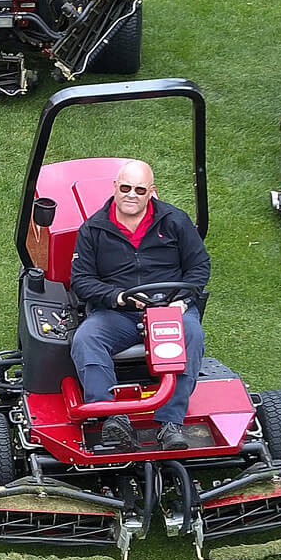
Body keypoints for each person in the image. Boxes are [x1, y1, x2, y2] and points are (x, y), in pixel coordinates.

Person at [68, 162, 210, 452]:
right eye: (125, 188)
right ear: (115, 188)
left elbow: (199, 266)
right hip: (117, 312)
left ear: (151, 192)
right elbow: (81, 281)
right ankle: (111, 416)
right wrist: (117, 296)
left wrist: (181, 299)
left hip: (169, 308)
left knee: (191, 335)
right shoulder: (93, 229)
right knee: (87, 338)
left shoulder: (174, 221)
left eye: (140, 189)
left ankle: (171, 423)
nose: (131, 195)